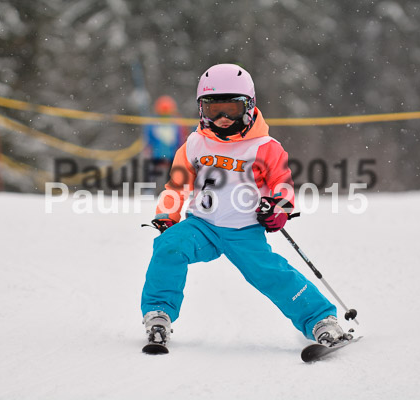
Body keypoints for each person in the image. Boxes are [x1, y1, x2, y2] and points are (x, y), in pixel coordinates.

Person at [140, 64, 352, 353]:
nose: (224, 119)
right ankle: (158, 314)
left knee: (271, 275)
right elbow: (177, 186)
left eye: (233, 109)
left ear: (250, 107)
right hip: (201, 226)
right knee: (168, 247)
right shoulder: (194, 144)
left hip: (244, 230)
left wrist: (278, 207)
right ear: (202, 110)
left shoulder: (264, 147)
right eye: (215, 110)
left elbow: (283, 185)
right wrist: (167, 216)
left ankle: (320, 321)